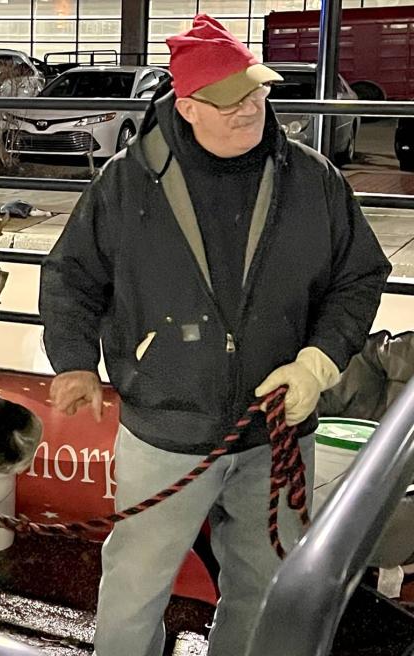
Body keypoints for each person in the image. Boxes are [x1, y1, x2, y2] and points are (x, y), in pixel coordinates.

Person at [38, 15, 392, 656]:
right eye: (232, 101)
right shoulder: (126, 183)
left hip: (277, 428)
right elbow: (71, 277)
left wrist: (318, 363)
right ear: (189, 106)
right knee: (134, 589)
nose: (252, 108)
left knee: (267, 586)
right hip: (165, 431)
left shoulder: (312, 181)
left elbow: (360, 275)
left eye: (258, 92)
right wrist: (73, 362)